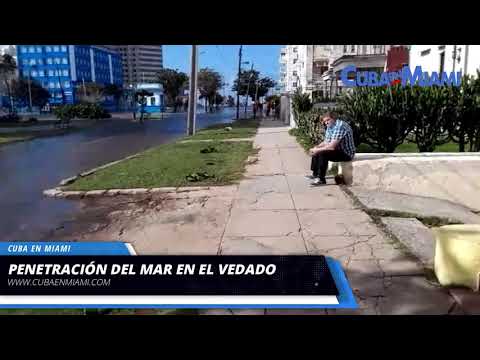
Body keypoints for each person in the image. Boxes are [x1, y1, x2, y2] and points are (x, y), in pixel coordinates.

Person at [307, 111, 356, 186]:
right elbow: (326, 142)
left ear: (334, 118)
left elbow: (332, 147)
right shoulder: (330, 126)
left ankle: (321, 179)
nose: (326, 123)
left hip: (346, 153)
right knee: (317, 151)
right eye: (325, 121)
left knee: (323, 153)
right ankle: (315, 174)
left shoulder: (340, 126)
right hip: (338, 150)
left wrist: (317, 150)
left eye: (328, 120)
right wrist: (316, 148)